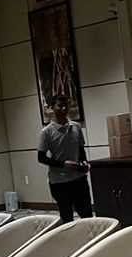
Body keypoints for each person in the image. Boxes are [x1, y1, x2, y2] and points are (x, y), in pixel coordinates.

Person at [37, 94, 92, 222]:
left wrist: (84, 162)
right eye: (60, 106)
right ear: (52, 108)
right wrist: (63, 164)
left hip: (78, 178)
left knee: (87, 214)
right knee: (67, 217)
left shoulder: (76, 127)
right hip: (59, 182)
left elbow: (81, 149)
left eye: (66, 105)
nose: (63, 109)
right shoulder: (46, 132)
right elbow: (41, 158)